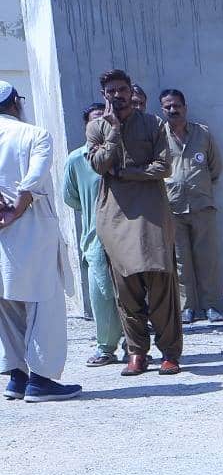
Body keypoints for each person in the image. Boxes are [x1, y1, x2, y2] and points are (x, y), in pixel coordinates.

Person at [86, 68, 182, 376]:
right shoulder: (96, 128)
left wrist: (126, 173)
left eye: (122, 90)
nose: (117, 95)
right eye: (111, 91)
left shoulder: (153, 123)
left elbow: (164, 167)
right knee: (126, 289)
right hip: (116, 216)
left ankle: (169, 352)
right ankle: (137, 352)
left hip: (152, 214)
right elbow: (99, 165)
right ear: (104, 95)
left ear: (131, 91)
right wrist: (113, 131)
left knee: (160, 284)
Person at [0, 80, 80, 402]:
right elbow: (36, 175)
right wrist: (18, 206)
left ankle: (17, 377)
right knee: (43, 306)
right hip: (31, 228)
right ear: (15, 103)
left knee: (6, 307)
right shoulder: (35, 135)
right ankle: (41, 380)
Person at [62, 102, 123, 367]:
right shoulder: (77, 159)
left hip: (125, 233)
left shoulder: (122, 153)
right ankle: (105, 347)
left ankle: (134, 345)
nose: (99, 125)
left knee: (130, 291)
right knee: (101, 293)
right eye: (94, 120)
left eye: (104, 120)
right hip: (94, 234)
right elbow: (71, 197)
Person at [159, 88, 223, 324]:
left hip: (202, 206)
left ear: (185, 107)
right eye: (168, 106)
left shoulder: (202, 134)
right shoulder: (159, 136)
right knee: (180, 261)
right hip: (172, 207)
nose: (173, 110)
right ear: (162, 110)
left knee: (206, 259)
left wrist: (201, 185)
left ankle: (211, 306)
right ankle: (187, 307)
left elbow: (215, 167)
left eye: (176, 105)